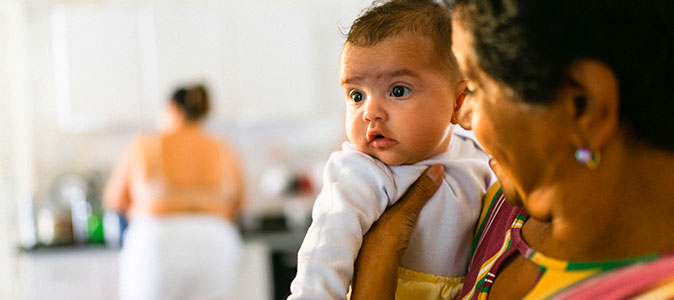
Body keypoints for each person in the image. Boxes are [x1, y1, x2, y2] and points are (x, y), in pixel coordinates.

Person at [349, 0, 674, 299]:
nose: (461, 117)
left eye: (475, 87)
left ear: (583, 107)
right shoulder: (498, 206)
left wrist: (377, 265)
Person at [288, 1, 493, 299]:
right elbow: (325, 250)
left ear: (459, 102)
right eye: (356, 95)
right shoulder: (361, 172)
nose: (370, 112)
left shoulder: (474, 156)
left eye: (398, 90)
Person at [103, 84, 246, 300]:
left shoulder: (146, 145)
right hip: (214, 239)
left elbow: (115, 200)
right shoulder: (223, 148)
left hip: (158, 240)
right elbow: (241, 202)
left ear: (171, 107)